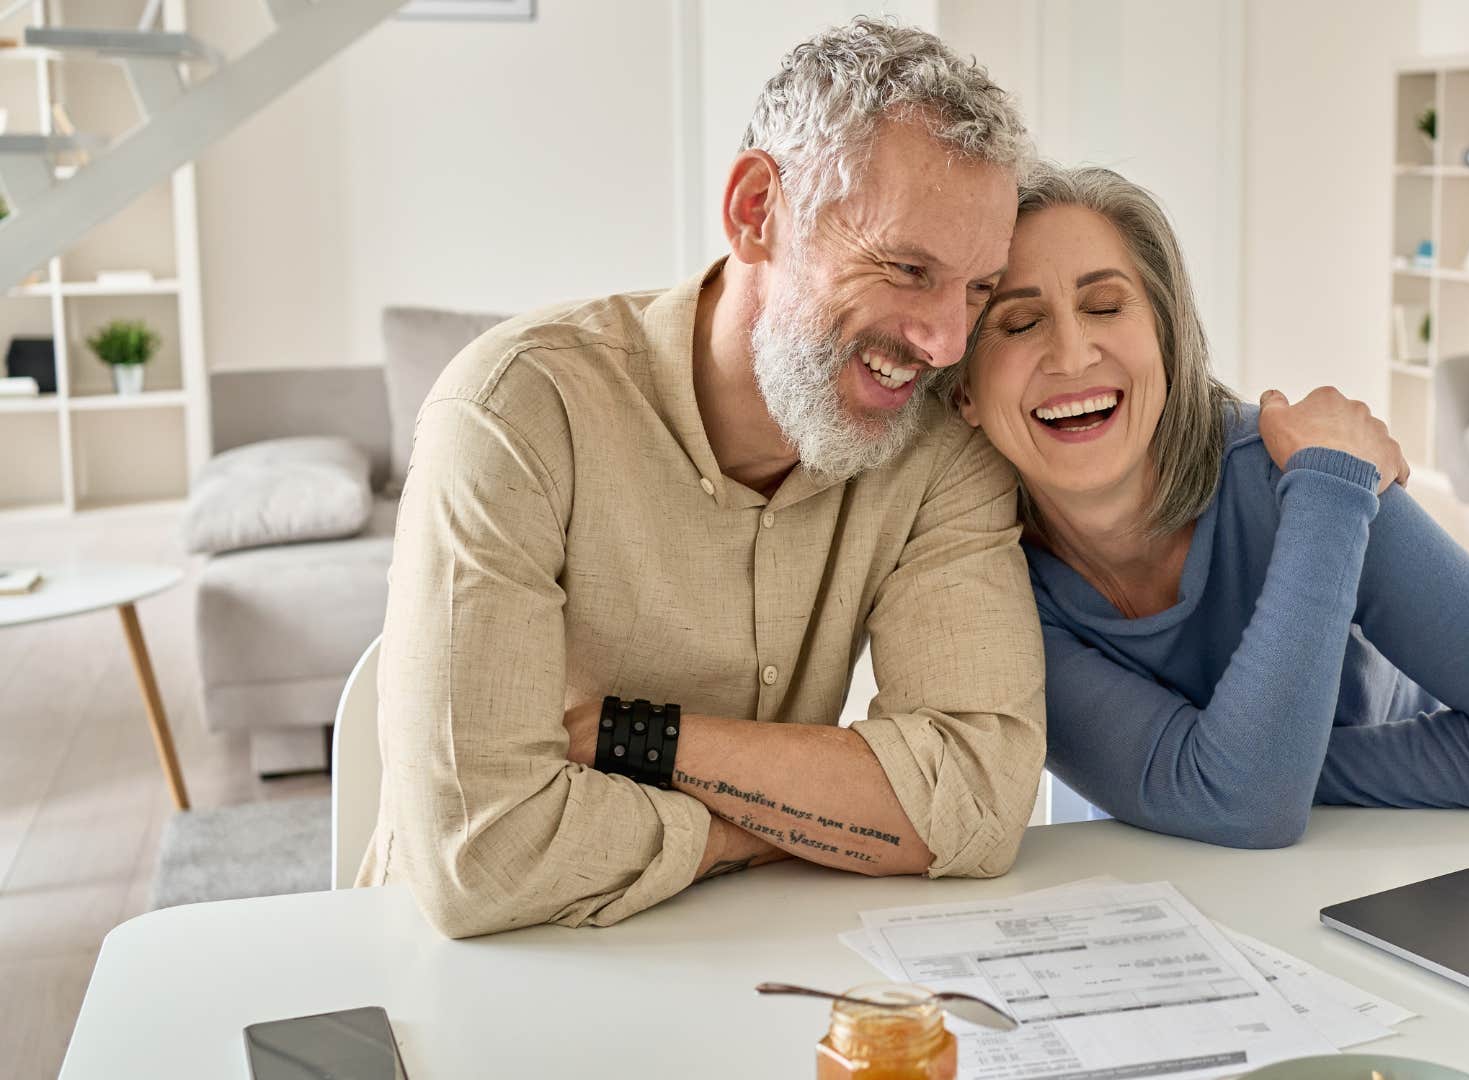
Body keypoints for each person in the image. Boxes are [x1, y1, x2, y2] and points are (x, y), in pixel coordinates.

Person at [362, 20, 1047, 938]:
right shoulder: (516, 408)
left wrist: (631, 738)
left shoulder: (940, 449)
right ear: (757, 208)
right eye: (907, 268)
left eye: (976, 289)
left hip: (737, 964)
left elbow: (978, 796)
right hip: (468, 977)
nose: (946, 341)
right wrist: (783, 827)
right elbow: (481, 856)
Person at [930, 165, 1469, 848]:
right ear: (962, 391)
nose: (1074, 354)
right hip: (1159, 890)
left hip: (1384, 854)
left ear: (1168, 344)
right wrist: (1242, 773)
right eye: (1019, 323)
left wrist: (1243, 769)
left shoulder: (1315, 479)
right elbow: (1243, 800)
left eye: (1106, 307)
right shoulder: (984, 581)